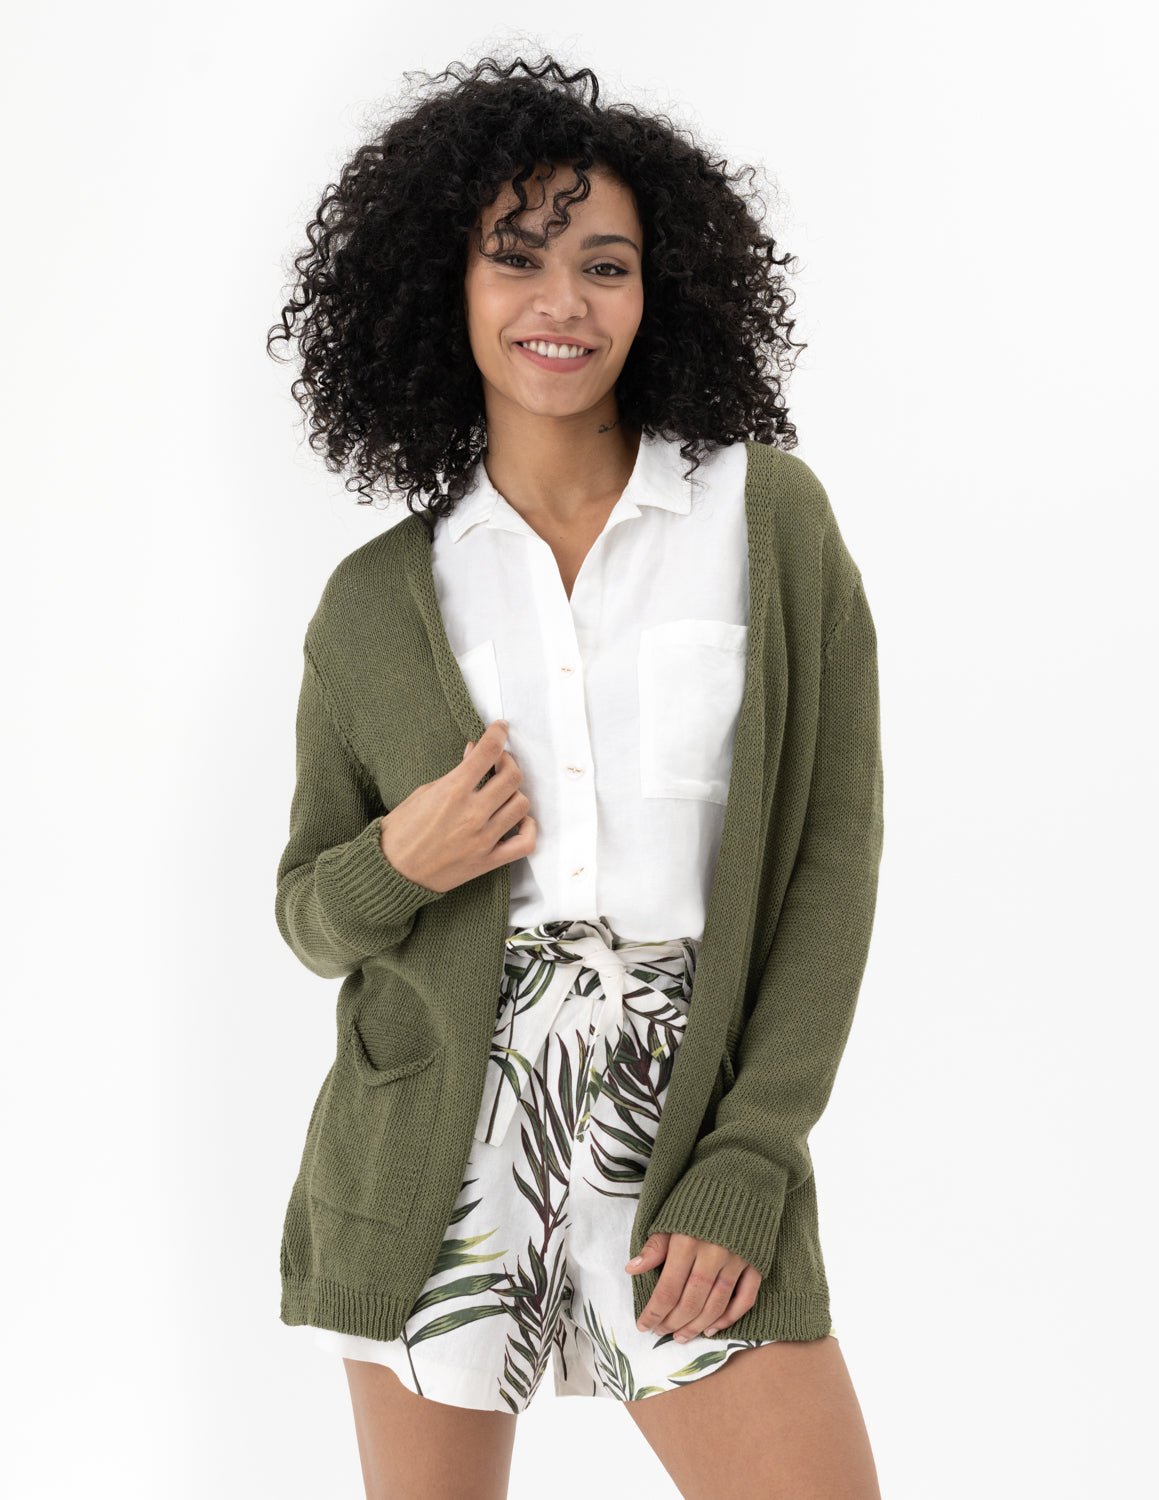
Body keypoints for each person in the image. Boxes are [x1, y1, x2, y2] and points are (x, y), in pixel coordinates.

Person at [267, 52, 885, 1500]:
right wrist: (401, 861)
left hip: (684, 1117)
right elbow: (308, 916)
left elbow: (829, 858)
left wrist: (755, 1151)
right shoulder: (376, 602)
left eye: (605, 264)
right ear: (446, 285)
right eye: (518, 258)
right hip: (428, 1141)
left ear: (659, 291)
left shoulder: (764, 521)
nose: (565, 301)